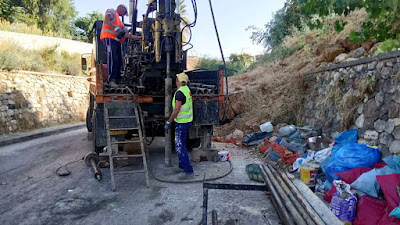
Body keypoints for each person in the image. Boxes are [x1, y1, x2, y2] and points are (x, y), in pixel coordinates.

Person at [100, 4, 141, 88]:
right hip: (109, 39)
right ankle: (111, 80)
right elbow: (106, 21)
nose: (124, 14)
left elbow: (127, 35)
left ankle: (117, 80)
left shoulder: (120, 22)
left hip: (116, 42)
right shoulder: (111, 11)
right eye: (124, 12)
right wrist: (117, 29)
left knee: (119, 60)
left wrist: (140, 37)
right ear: (121, 8)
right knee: (113, 58)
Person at [165, 73, 194, 179]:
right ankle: (182, 165)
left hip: (182, 123)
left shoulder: (180, 93)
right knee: (182, 144)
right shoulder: (187, 90)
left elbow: (176, 110)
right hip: (187, 121)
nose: (175, 80)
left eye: (176, 79)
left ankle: (188, 170)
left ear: (179, 81)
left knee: (179, 146)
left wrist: (169, 122)